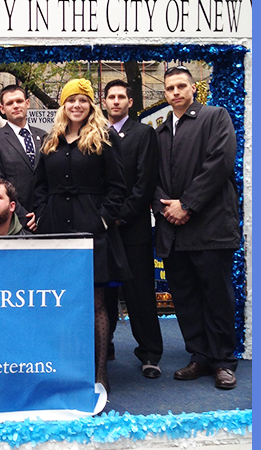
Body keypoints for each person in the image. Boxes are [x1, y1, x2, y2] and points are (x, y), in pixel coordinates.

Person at [31, 78, 131, 395]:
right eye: (71, 100)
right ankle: (65, 368)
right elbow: (39, 186)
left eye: (83, 100)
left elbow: (118, 187)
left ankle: (100, 372)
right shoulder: (52, 140)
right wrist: (43, 213)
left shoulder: (104, 138)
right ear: (63, 105)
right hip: (57, 228)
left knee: (97, 302)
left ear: (91, 105)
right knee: (61, 300)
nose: (77, 105)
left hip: (93, 229)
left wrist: (102, 217)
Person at [152, 66, 241, 390]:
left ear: (193, 90)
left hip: (211, 228)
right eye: (169, 88)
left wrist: (187, 204)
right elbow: (152, 178)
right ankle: (199, 356)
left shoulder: (215, 117)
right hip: (174, 232)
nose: (175, 92)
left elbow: (220, 162)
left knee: (216, 296)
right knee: (186, 298)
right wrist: (166, 206)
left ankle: (222, 362)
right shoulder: (161, 132)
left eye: (180, 86)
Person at [102, 79, 164, 379]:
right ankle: (106, 344)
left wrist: (120, 216)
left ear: (130, 102)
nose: (115, 101)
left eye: (121, 97)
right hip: (103, 229)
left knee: (139, 294)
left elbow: (144, 183)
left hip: (133, 227)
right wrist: (103, 217)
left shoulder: (143, 133)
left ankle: (150, 353)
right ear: (104, 102)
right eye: (111, 97)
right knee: (106, 292)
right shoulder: (96, 134)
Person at [0, 84, 46, 220]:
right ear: (2, 108)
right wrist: (24, 216)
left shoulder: (45, 136)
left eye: (19, 101)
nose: (15, 106)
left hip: (46, 215)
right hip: (12, 218)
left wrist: (42, 214)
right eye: (10, 103)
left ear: (27, 103)